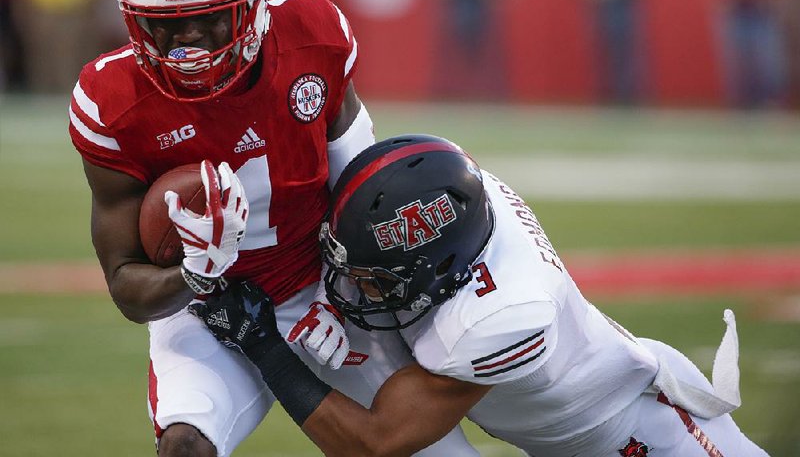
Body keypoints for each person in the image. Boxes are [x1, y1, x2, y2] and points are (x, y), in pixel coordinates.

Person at [68, 0, 477, 457]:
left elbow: (364, 196)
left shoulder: (311, 32)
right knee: (186, 448)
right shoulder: (109, 100)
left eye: (209, 19)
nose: (188, 45)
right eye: (166, 26)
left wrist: (343, 294)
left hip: (326, 287)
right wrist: (195, 274)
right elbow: (126, 288)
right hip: (208, 308)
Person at [192, 134, 770, 457]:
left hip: (642, 442)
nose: (356, 288)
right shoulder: (461, 203)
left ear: (435, 269)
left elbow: (376, 443)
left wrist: (263, 345)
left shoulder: (502, 318)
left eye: (374, 277)